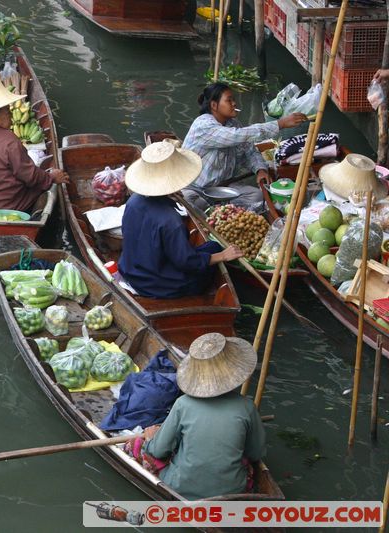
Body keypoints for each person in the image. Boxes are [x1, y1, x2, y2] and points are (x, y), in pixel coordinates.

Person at [127, 332, 266, 500]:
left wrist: (150, 439)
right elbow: (255, 453)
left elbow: (158, 451)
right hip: (233, 490)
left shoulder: (183, 404)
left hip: (181, 488)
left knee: (137, 445)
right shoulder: (247, 407)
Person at [117, 141, 243, 299]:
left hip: (132, 269)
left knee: (212, 246)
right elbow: (187, 262)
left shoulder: (133, 201)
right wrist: (223, 256)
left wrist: (170, 198)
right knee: (215, 252)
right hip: (157, 284)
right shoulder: (170, 220)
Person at [182, 82, 308, 211]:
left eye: (234, 100)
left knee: (257, 196)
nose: (234, 103)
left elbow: (250, 151)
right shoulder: (203, 125)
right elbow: (238, 135)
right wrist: (280, 124)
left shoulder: (233, 123)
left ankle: (222, 212)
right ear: (214, 105)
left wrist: (260, 170)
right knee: (191, 202)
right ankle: (216, 213)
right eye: (229, 100)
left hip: (222, 189)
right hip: (195, 189)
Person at [0, 79, 69, 213]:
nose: (10, 114)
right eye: (6, 111)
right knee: (39, 185)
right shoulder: (9, 140)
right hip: (5, 206)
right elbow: (30, 176)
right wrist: (51, 177)